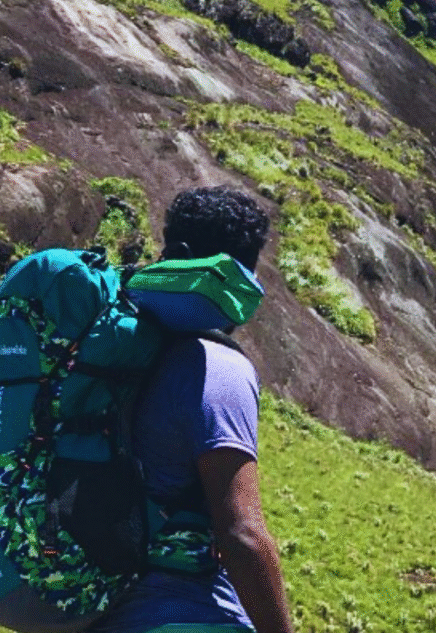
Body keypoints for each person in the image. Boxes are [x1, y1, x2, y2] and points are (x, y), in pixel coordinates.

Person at [90, 186, 295, 633]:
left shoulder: (102, 350)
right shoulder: (217, 367)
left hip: (94, 608)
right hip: (182, 613)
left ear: (171, 253)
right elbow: (242, 535)